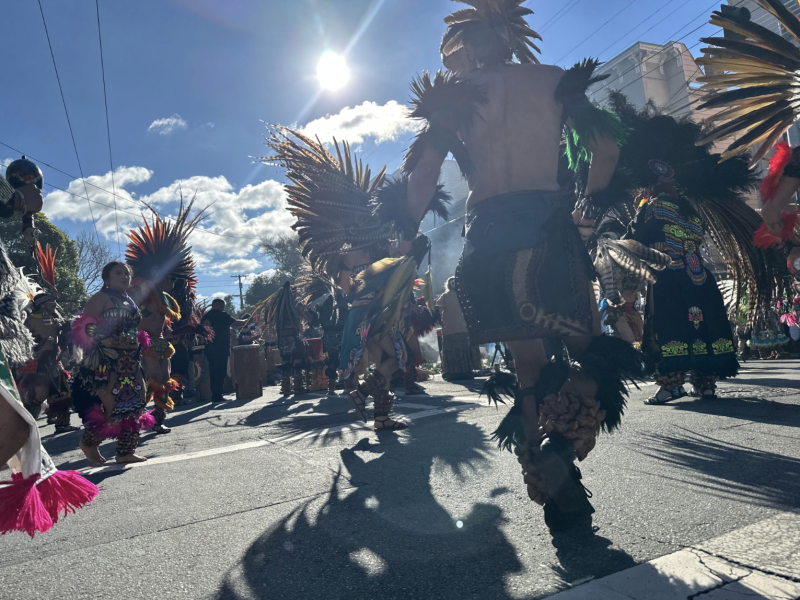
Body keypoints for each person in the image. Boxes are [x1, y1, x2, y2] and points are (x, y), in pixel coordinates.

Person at [401, 2, 643, 531]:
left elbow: (422, 173)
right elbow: (604, 146)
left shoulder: (457, 101)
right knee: (593, 350)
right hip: (549, 227)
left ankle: (552, 480)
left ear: (469, 46)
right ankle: (560, 446)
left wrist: (403, 235)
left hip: (486, 236)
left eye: (452, 52)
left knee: (527, 369)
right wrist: (592, 203)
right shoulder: (553, 80)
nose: (450, 64)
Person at [265, 129, 449, 430]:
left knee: (384, 364)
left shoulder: (346, 257)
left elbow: (347, 288)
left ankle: (381, 418)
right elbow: (397, 258)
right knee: (394, 361)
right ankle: (364, 393)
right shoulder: (380, 245)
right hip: (382, 313)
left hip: (359, 315)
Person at [0, 158, 97, 537]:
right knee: (21, 421)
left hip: (39, 359)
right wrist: (14, 206)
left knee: (20, 426)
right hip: (31, 361)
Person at [127, 200, 203, 432]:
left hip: (160, 341)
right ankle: (137, 418)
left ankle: (157, 419)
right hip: (145, 341)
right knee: (154, 378)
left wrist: (176, 334)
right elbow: (130, 313)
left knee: (164, 378)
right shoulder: (142, 291)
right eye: (170, 279)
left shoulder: (166, 300)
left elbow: (165, 325)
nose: (174, 283)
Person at [72, 262, 155, 464]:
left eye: (127, 273)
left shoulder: (130, 301)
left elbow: (131, 328)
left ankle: (126, 451)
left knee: (136, 402)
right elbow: (83, 326)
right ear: (107, 279)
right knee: (114, 407)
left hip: (130, 360)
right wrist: (103, 338)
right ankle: (89, 442)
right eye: (118, 273)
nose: (124, 276)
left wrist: (138, 339)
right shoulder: (100, 298)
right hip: (104, 361)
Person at [437, 276, 480, 381]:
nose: (454, 285)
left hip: (456, 328)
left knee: (459, 349)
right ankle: (460, 371)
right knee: (460, 349)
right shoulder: (461, 295)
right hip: (456, 327)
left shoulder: (449, 296)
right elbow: (438, 309)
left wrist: (439, 320)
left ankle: (457, 372)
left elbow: (437, 309)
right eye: (452, 283)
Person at [202, 298, 245, 403]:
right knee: (221, 372)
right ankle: (218, 396)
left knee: (213, 372)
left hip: (209, 349)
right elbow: (235, 323)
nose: (223, 309)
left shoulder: (205, 317)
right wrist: (247, 321)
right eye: (222, 306)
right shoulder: (222, 315)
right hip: (220, 348)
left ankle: (215, 395)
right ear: (219, 305)